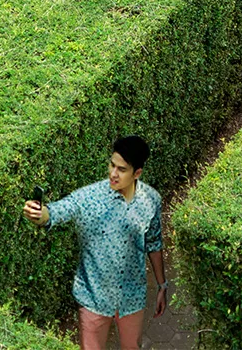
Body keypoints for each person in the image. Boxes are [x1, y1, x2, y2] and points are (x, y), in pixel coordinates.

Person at [23, 136, 168, 350]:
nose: (113, 173)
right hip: (93, 298)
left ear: (137, 173)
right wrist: (40, 214)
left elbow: (154, 243)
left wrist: (162, 285)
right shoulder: (90, 197)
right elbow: (58, 211)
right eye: (112, 165)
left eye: (121, 169)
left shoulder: (151, 200)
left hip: (132, 298)